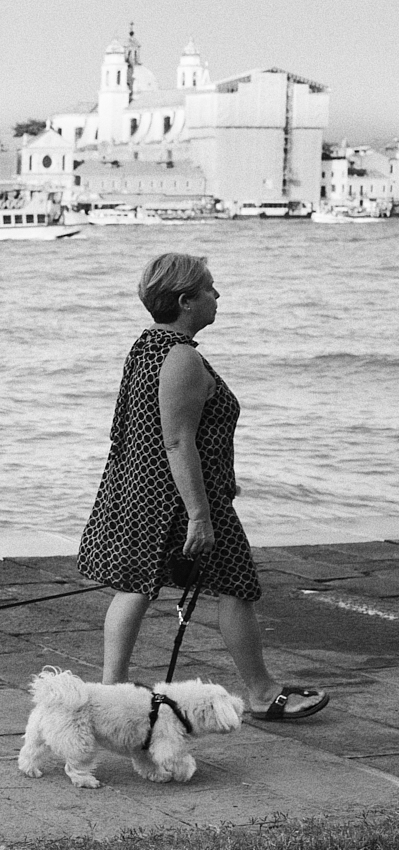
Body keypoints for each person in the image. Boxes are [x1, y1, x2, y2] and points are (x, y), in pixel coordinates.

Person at [77, 252, 328, 721]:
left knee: (136, 585)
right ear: (186, 301)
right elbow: (176, 440)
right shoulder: (181, 359)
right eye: (210, 289)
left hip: (140, 490)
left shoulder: (147, 345)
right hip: (181, 499)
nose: (218, 296)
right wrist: (199, 514)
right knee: (235, 585)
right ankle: (259, 692)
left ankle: (111, 693)